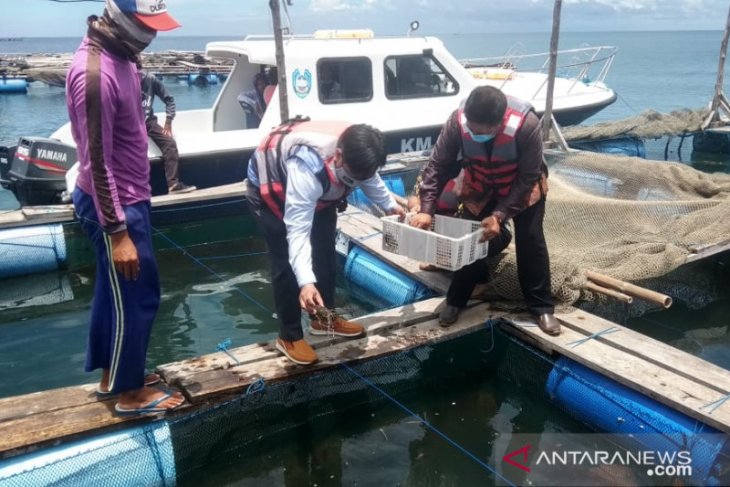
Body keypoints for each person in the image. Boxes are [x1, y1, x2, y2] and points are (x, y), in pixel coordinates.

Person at [66, 0, 185, 415]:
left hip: (129, 195)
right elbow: (96, 160)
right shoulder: (95, 75)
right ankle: (129, 393)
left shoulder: (125, 57)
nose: (151, 35)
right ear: (120, 18)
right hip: (114, 205)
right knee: (137, 295)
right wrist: (117, 232)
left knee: (114, 294)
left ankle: (113, 375)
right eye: (146, 25)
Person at [246, 119, 406, 365]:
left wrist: (389, 206)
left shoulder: (359, 152)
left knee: (324, 253)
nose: (359, 178)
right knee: (286, 263)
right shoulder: (307, 168)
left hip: (320, 197)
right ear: (339, 156)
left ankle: (323, 319)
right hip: (272, 190)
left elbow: (369, 178)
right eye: (355, 174)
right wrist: (306, 283)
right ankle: (288, 336)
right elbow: (297, 232)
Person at [410, 86, 560, 335]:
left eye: (484, 131)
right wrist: (426, 208)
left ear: (500, 122)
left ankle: (541, 306)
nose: (476, 133)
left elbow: (528, 177)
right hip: (480, 184)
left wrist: (499, 215)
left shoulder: (527, 125)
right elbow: (438, 164)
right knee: (470, 239)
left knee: (531, 240)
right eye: (472, 127)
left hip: (521, 188)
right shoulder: (457, 122)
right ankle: (457, 299)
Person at [140, 70, 196, 194]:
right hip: (130, 124)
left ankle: (173, 184)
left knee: (170, 143)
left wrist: (168, 120)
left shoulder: (150, 79)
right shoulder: (123, 79)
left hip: (148, 122)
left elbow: (169, 99)